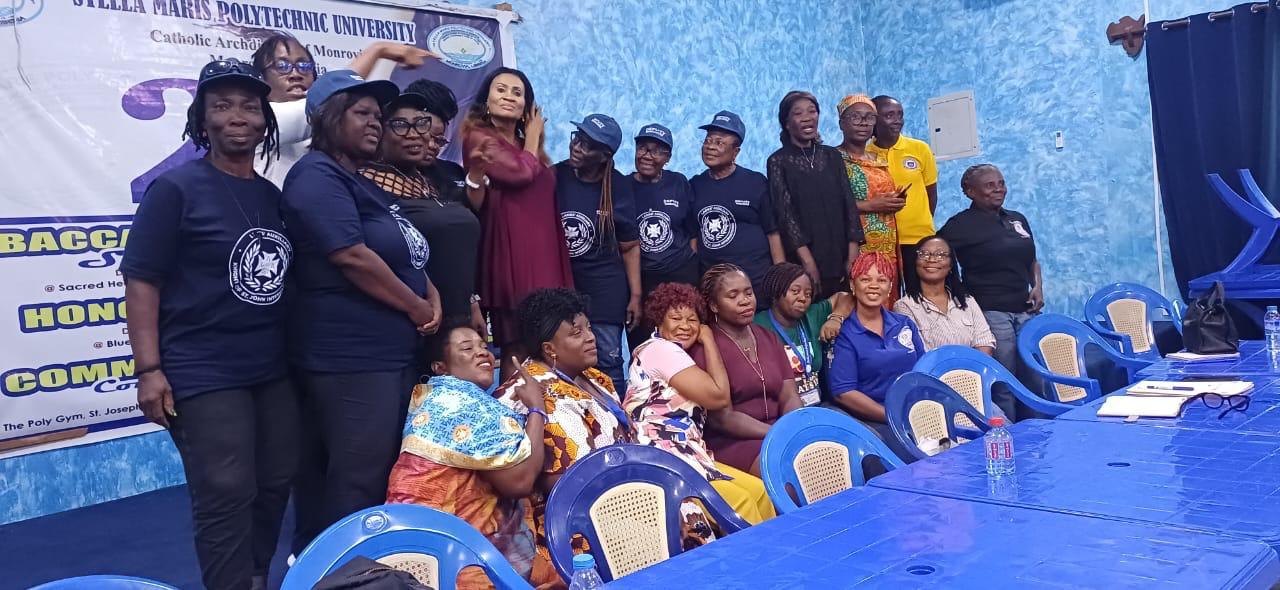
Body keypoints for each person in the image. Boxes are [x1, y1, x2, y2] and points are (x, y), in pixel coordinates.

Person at [123, 59, 294, 590]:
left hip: (271, 366)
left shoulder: (271, 197)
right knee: (225, 487)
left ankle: (256, 575)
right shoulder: (175, 190)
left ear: (265, 120)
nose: (237, 116)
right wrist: (149, 369)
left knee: (276, 478)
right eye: (221, 106)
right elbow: (142, 281)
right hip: (201, 366)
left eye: (249, 106)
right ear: (202, 120)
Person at [281, 70, 440, 554]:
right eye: (362, 113)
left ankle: (352, 564)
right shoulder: (315, 176)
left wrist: (431, 292)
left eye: (378, 116)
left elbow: (401, 252)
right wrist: (416, 305)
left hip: (385, 352)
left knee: (374, 468)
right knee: (358, 474)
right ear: (328, 119)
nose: (376, 123)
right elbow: (350, 255)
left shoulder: (358, 181)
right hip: (350, 356)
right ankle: (342, 570)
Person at [495, 289, 715, 561]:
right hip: (583, 520)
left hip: (626, 490)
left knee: (691, 510)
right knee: (683, 525)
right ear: (549, 349)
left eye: (589, 328)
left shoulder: (594, 377)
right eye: (576, 333)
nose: (590, 337)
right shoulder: (539, 392)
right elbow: (575, 483)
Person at [385, 322, 561, 589]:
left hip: (415, 551)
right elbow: (520, 482)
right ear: (440, 368)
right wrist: (536, 408)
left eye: (483, 346)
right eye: (467, 348)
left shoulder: (437, 398)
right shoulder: (458, 405)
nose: (482, 352)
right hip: (453, 562)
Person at [625, 282, 777, 524]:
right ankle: (760, 549)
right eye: (676, 318)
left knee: (759, 492)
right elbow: (719, 397)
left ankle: (773, 546)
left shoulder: (673, 352)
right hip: (665, 457)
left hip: (689, 453)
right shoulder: (661, 350)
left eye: (692, 320)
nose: (685, 326)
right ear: (658, 321)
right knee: (740, 503)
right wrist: (709, 340)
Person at [462, 67, 572, 381]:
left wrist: (531, 140)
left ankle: (551, 407)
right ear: (486, 100)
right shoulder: (479, 138)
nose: (509, 96)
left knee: (550, 342)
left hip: (545, 252)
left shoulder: (527, 145)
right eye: (501, 90)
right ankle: (517, 406)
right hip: (512, 252)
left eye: (517, 92)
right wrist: (534, 135)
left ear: (526, 105)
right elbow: (520, 173)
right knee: (519, 345)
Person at [360, 83, 484, 341]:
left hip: (459, 316)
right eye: (401, 126)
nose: (416, 135)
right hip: (416, 318)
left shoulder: (430, 179)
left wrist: (472, 302)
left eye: (420, 125)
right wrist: (416, 305)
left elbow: (454, 252)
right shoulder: (366, 182)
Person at [250, 33, 434, 187]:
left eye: (304, 66)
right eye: (282, 66)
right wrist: (379, 49)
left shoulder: (334, 136)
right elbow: (337, 95)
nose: (295, 74)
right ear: (262, 79)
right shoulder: (261, 118)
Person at [939, 164, 1043, 419]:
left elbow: (1032, 259)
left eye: (1001, 183)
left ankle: (1040, 430)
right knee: (1004, 379)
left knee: (1035, 375)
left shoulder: (1016, 219)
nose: (998, 189)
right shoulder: (960, 225)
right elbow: (936, 256)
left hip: (1027, 310)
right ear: (970, 191)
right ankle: (1008, 432)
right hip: (992, 312)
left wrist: (1038, 287)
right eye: (989, 185)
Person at [555, 113, 641, 388]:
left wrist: (636, 295)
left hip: (605, 291)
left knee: (607, 363)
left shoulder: (619, 186)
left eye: (588, 144)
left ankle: (614, 415)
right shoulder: (556, 176)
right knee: (562, 364)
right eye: (577, 138)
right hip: (563, 288)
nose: (577, 146)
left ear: (605, 156)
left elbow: (629, 246)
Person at [697, 264, 801, 475]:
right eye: (733, 295)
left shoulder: (768, 337)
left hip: (779, 431)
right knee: (787, 471)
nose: (744, 300)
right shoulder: (706, 347)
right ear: (714, 305)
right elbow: (722, 418)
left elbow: (789, 394)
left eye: (748, 292)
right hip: (733, 441)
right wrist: (777, 434)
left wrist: (793, 429)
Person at [767, 91, 864, 299]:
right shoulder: (778, 161)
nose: (807, 118)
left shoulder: (832, 155)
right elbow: (785, 216)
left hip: (840, 252)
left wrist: (853, 252)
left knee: (844, 309)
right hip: (804, 256)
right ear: (786, 123)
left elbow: (849, 204)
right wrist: (808, 261)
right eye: (798, 113)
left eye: (812, 111)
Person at [690, 111, 785, 306]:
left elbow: (773, 233)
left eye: (719, 142)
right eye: (708, 141)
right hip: (715, 290)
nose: (710, 147)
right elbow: (693, 237)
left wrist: (781, 279)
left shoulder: (755, 182)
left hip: (756, 284)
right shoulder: (694, 185)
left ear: (736, 151)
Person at [827, 253, 925, 441]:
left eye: (882, 280)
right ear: (852, 285)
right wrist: (893, 417)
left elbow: (923, 370)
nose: (874, 285)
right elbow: (844, 392)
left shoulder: (904, 323)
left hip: (917, 413)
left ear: (890, 286)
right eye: (865, 279)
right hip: (873, 422)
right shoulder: (843, 333)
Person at [628, 123, 699, 348]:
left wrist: (690, 268)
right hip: (643, 279)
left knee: (684, 338)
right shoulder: (622, 186)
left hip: (681, 274)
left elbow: (692, 231)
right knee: (644, 343)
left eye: (657, 151)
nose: (647, 155)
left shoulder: (679, 183)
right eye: (643, 148)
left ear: (667, 157)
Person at [836, 94, 904, 308]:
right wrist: (871, 206)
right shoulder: (832, 159)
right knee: (859, 301)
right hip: (854, 244)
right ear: (842, 123)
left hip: (887, 244)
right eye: (856, 117)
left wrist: (894, 201)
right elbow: (829, 205)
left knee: (886, 299)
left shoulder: (878, 160)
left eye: (870, 117)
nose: (864, 123)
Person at [753, 263, 853, 407]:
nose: (803, 298)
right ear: (775, 293)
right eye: (795, 291)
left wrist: (836, 318)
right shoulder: (757, 325)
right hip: (780, 411)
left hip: (817, 406)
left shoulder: (812, 315)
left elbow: (845, 297)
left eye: (808, 294)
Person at [868, 95, 940, 287]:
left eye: (900, 114)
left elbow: (931, 193)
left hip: (919, 238)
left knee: (922, 294)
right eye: (889, 115)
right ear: (874, 120)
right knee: (888, 295)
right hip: (882, 241)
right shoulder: (866, 155)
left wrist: (922, 224)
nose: (897, 120)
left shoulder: (920, 149)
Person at [894, 235, 996, 354]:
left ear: (951, 265)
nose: (932, 259)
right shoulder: (904, 306)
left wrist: (971, 365)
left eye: (940, 254)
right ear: (915, 262)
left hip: (971, 365)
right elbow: (916, 352)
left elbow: (984, 341)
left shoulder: (967, 301)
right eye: (924, 254)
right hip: (930, 366)